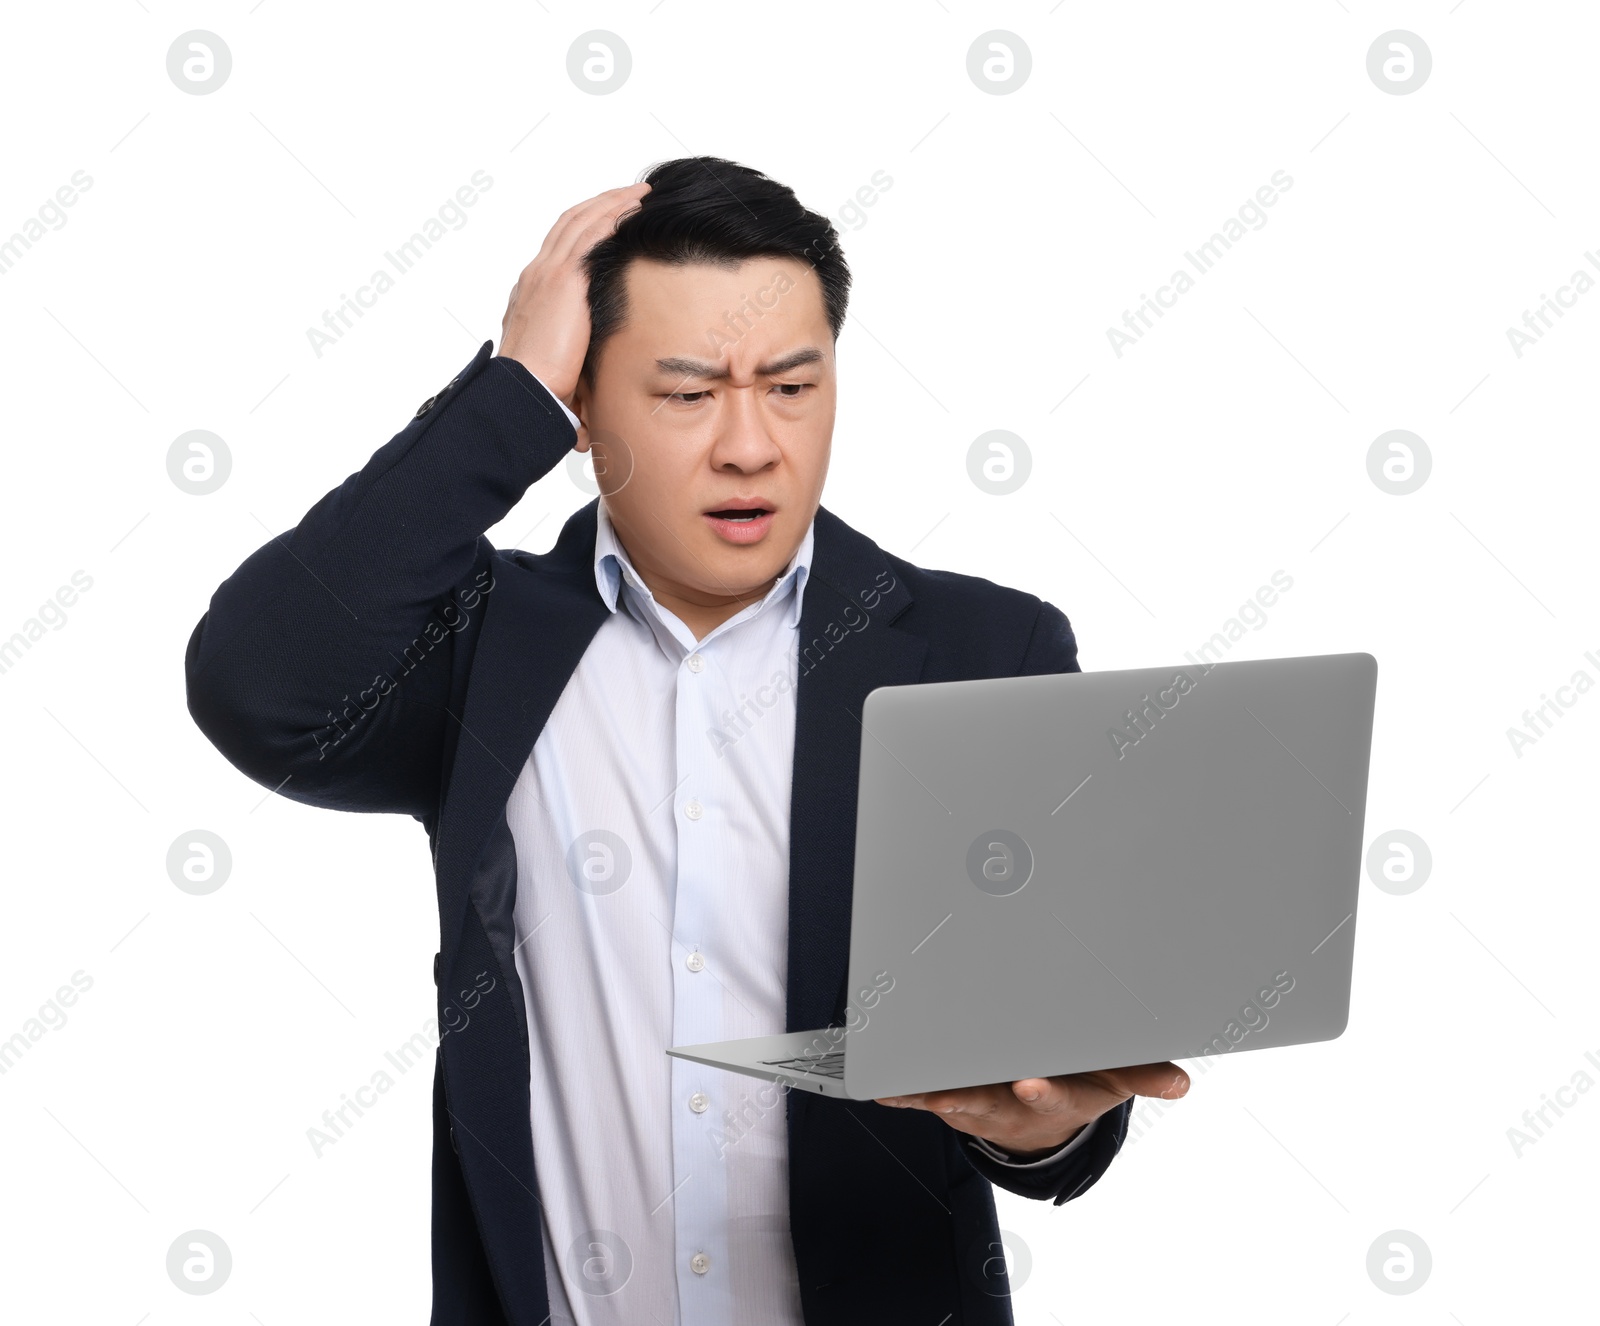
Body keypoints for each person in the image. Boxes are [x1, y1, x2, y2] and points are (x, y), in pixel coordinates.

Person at [184, 156, 1188, 1326]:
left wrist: (1045, 1128)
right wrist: (503, 395)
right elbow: (259, 684)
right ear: (582, 408)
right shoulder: (478, 654)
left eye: (792, 387)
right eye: (685, 392)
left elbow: (1050, 1055)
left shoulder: (986, 650)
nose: (751, 446)